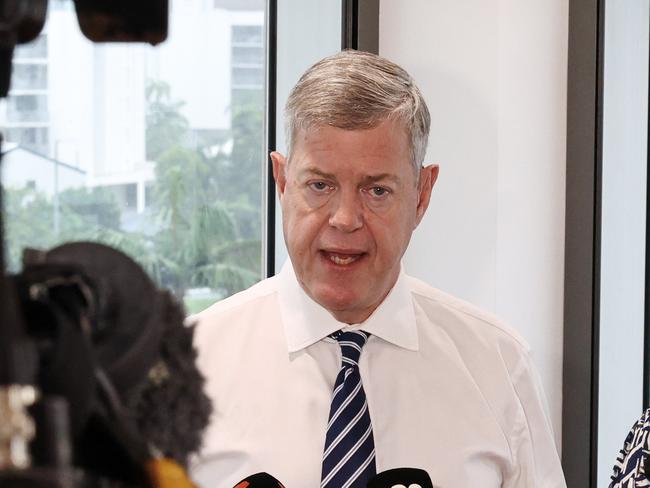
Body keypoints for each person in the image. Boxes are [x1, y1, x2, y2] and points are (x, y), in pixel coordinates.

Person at [191, 50, 566, 487]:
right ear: (282, 181)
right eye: (320, 185)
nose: (345, 218)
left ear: (422, 195)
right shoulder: (186, 365)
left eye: (377, 191)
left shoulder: (498, 364)